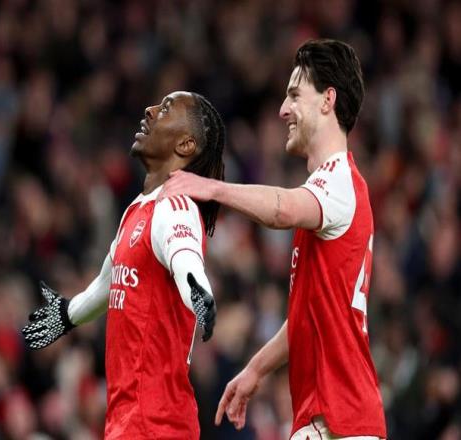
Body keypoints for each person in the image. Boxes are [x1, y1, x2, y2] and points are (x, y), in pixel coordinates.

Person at [160, 39, 387, 439]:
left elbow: (282, 209)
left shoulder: (340, 182)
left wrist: (212, 188)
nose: (283, 109)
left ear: (328, 100)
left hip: (339, 419)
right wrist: (256, 369)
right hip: (334, 419)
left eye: (295, 95)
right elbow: (307, 317)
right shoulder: (331, 190)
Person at [21, 91, 226, 439]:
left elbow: (185, 258)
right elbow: (108, 283)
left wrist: (198, 292)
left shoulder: (176, 206)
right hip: (128, 422)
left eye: (165, 109)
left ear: (185, 144)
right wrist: (68, 314)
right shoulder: (137, 209)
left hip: (158, 426)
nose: (149, 110)